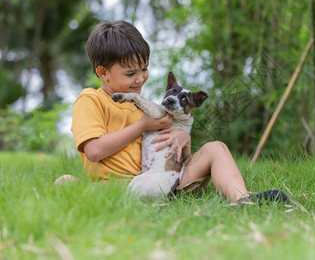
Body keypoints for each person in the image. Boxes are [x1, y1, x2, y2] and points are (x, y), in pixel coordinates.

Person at [62, 20, 288, 204]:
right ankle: (116, 201)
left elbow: (173, 159)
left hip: (167, 181)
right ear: (103, 72)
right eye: (131, 73)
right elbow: (93, 150)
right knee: (64, 182)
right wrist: (142, 126)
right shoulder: (91, 99)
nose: (140, 78)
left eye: (145, 69)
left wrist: (184, 139)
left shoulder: (142, 106)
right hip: (120, 189)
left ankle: (242, 200)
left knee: (216, 148)